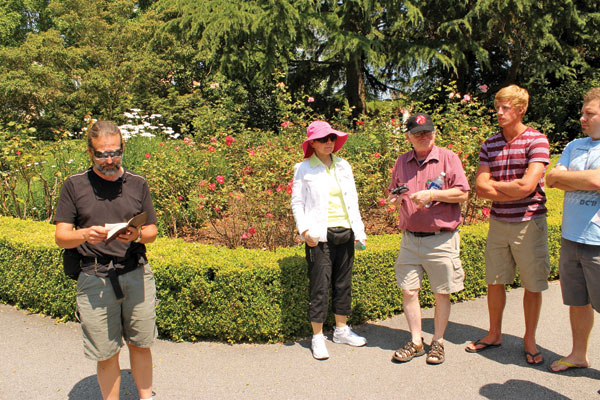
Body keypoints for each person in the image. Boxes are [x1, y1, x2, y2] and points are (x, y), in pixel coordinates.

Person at [55, 120, 158, 400]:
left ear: (123, 149)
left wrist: (136, 234)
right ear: (90, 152)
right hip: (95, 279)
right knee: (106, 352)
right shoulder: (74, 185)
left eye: (115, 152)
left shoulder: (138, 184)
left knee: (140, 344)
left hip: (136, 274)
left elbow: (152, 232)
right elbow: (62, 237)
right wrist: (84, 234)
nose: (109, 160)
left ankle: (146, 397)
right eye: (102, 154)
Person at [466, 85, 550, 365]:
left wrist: (498, 186)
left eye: (505, 108)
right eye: (497, 107)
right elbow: (479, 187)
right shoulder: (489, 143)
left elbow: (528, 187)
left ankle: (529, 338)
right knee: (495, 280)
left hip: (529, 222)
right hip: (499, 222)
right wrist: (511, 187)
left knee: (532, 284)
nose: (499, 112)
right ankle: (494, 333)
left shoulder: (536, 140)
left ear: (520, 109)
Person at [387, 112, 470, 365]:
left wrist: (433, 196)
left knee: (441, 292)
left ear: (434, 133)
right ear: (408, 137)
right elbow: (393, 191)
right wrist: (392, 199)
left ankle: (438, 341)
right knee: (409, 290)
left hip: (441, 239)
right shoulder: (401, 161)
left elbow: (463, 193)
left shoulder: (448, 157)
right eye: (418, 133)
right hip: (410, 239)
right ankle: (416, 342)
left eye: (428, 132)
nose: (424, 137)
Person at [291, 120, 368, 360]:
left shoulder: (344, 165)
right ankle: (317, 337)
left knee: (343, 284)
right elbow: (297, 203)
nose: (329, 143)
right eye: (323, 139)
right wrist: (304, 231)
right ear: (312, 143)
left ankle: (342, 330)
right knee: (320, 287)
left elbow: (352, 200)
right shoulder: (303, 168)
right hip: (319, 236)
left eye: (332, 138)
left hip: (345, 232)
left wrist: (360, 230)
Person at [545, 87, 600, 373]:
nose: (582, 118)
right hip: (571, 238)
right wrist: (584, 179)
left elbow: (597, 181)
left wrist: (572, 179)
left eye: (589, 113)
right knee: (578, 302)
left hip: (598, 243)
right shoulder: (574, 145)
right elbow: (552, 179)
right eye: (582, 112)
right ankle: (579, 355)